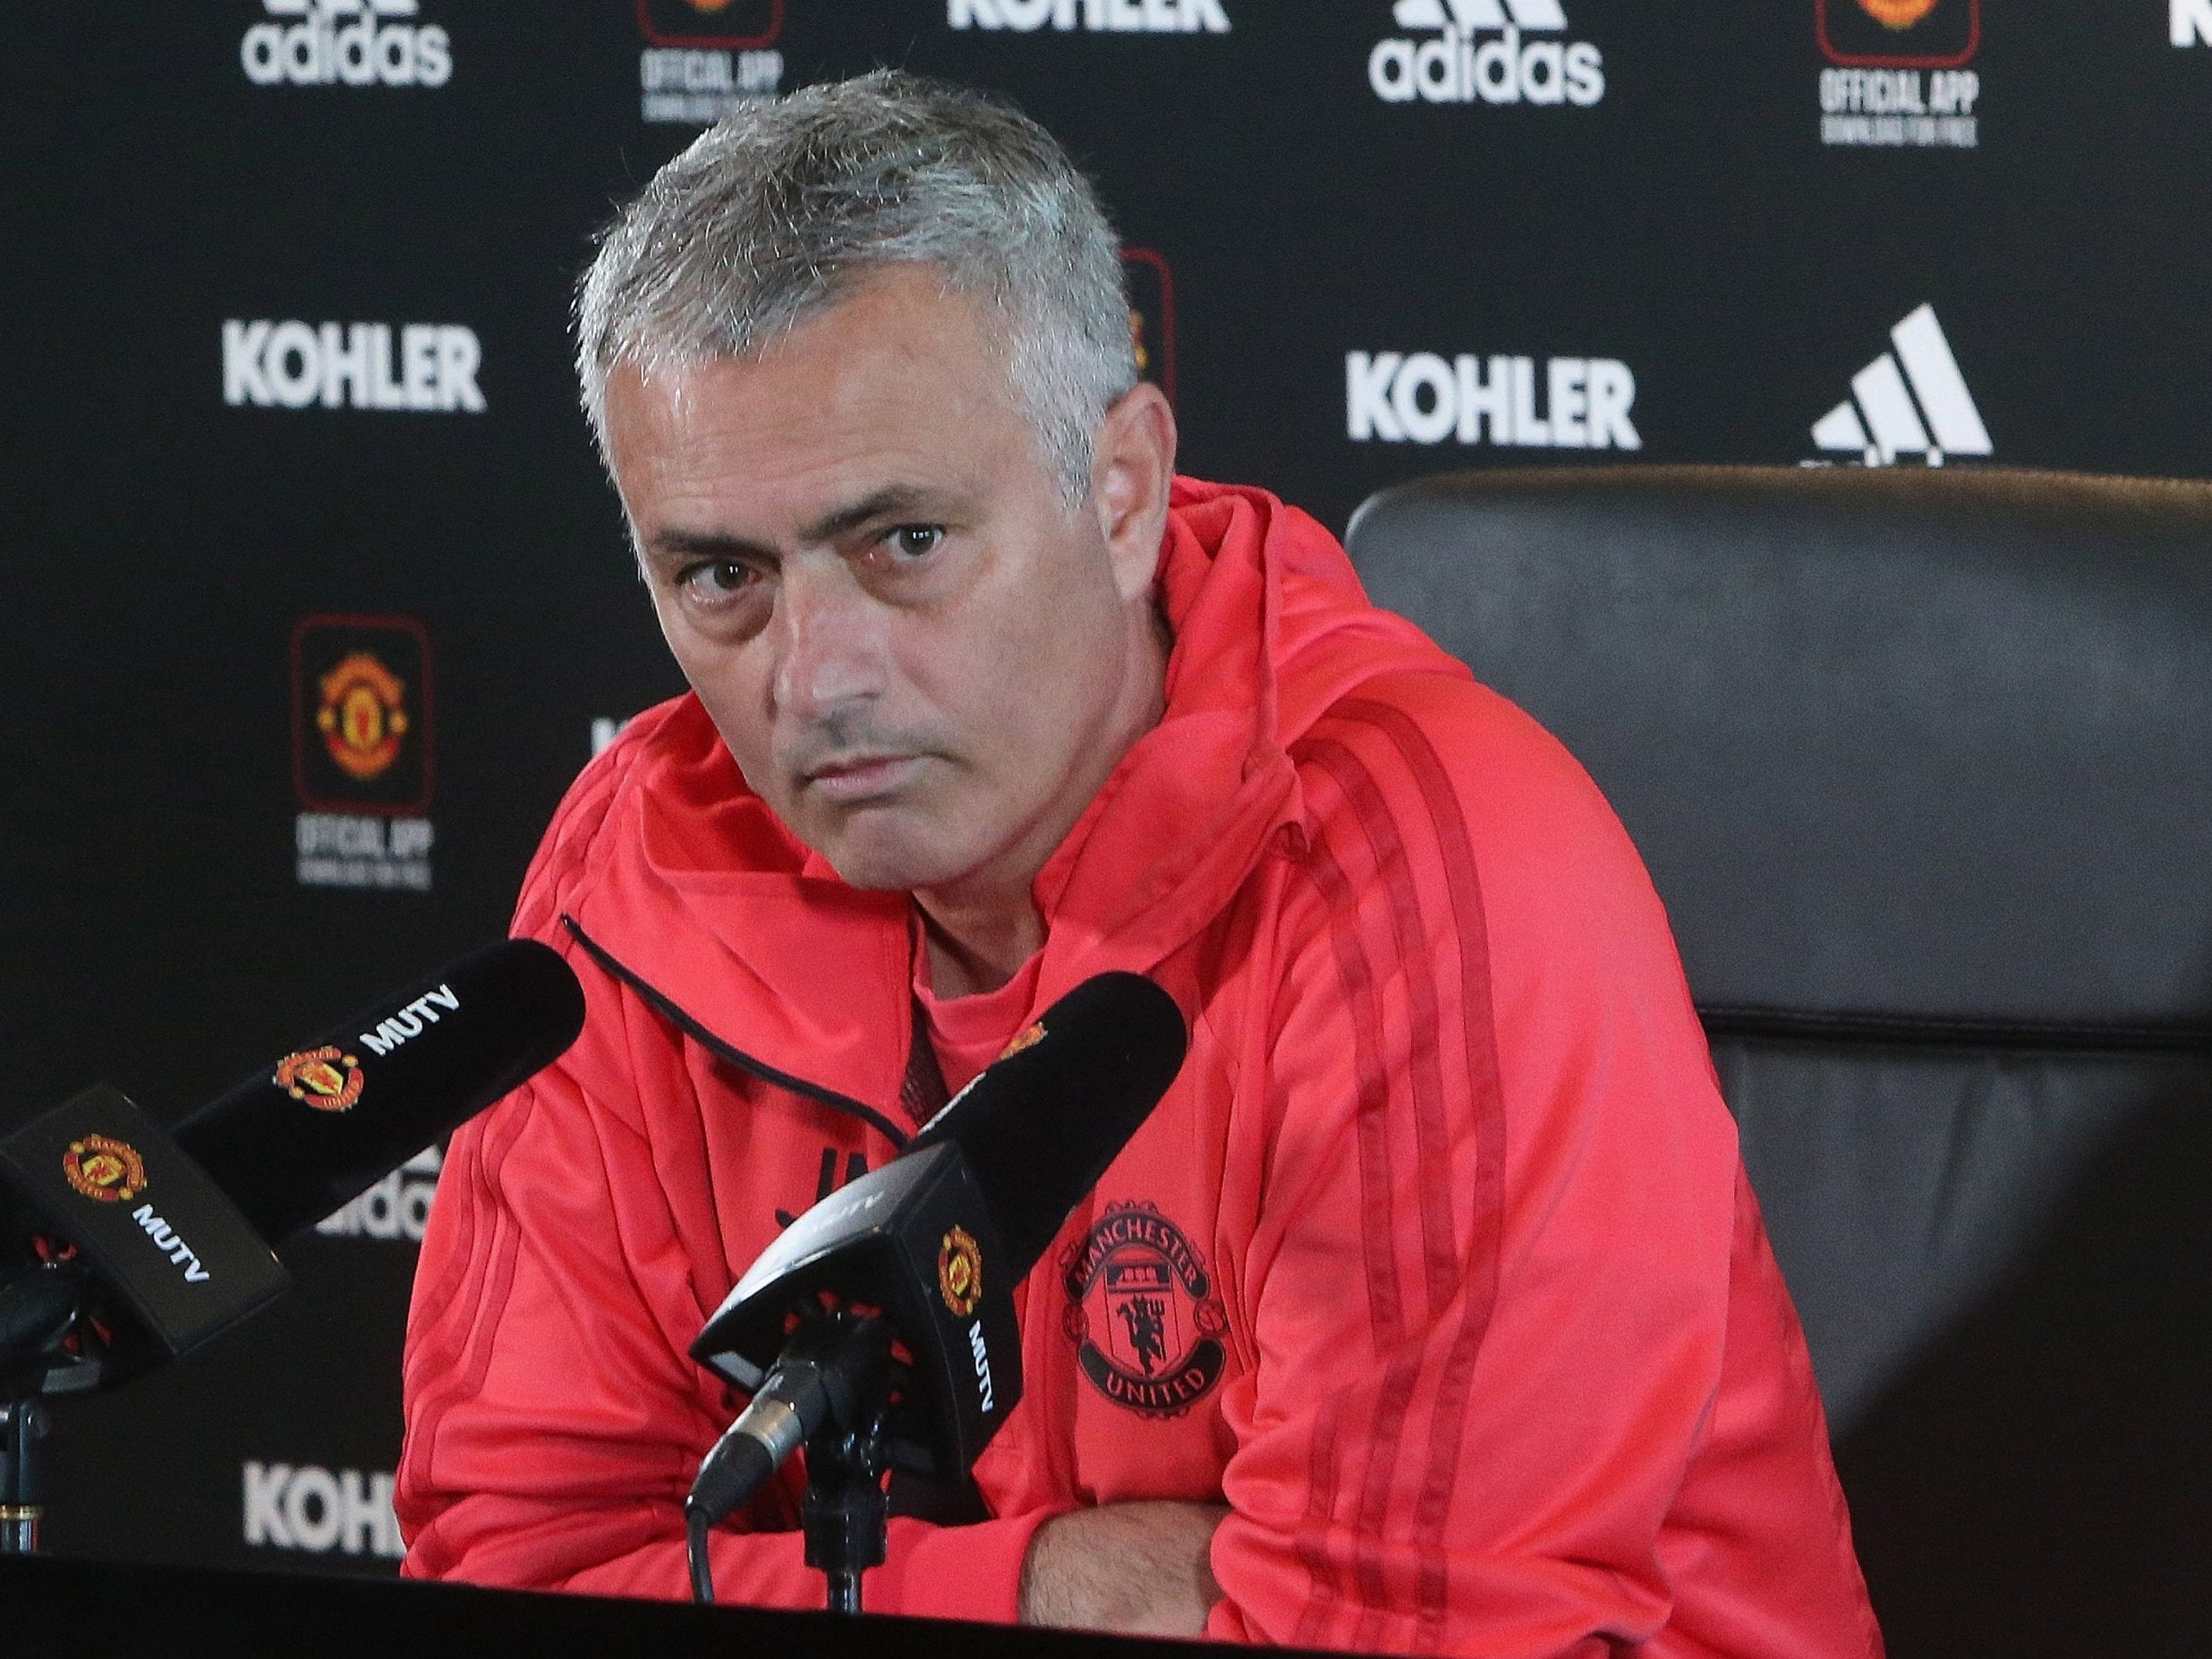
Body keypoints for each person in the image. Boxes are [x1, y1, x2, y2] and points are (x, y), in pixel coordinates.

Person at [395, 71, 1882, 1655]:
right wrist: (1059, 1587)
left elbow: (1411, 1642)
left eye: (902, 543)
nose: (813, 675)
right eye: (722, 576)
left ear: (1120, 487)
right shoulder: (641, 855)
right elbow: (512, 1569)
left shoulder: (1425, 865)